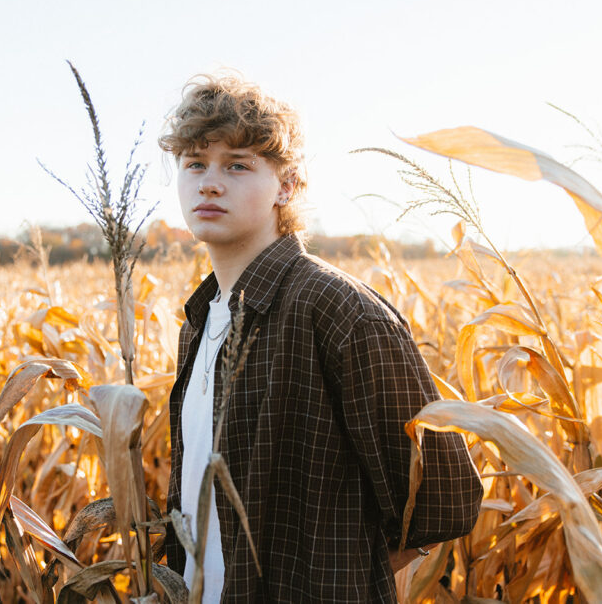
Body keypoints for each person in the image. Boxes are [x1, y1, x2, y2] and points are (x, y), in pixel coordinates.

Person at [159, 74, 482, 603]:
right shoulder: (201, 318)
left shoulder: (337, 310)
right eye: (195, 163)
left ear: (285, 186)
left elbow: (442, 498)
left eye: (237, 165)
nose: (209, 183)